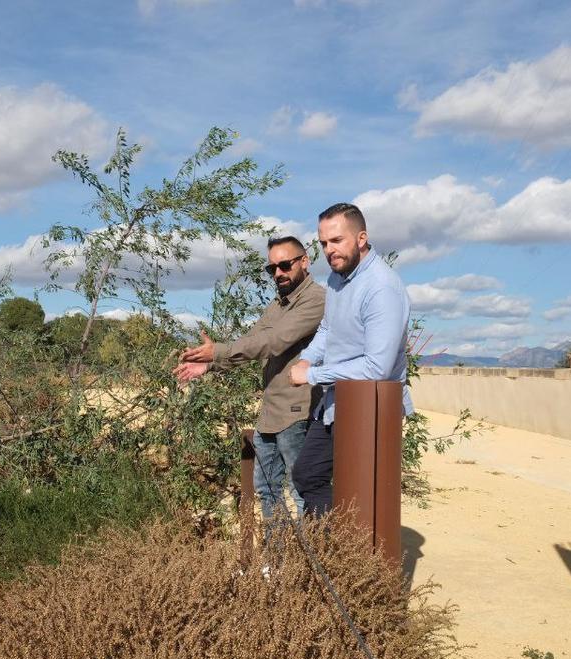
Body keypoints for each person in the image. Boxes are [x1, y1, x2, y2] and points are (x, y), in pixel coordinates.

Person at [174, 235, 326, 529]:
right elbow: (253, 341)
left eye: (285, 265)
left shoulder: (315, 299)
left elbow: (274, 341)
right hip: (271, 413)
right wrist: (211, 364)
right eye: (272, 269)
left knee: (301, 492)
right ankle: (276, 563)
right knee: (267, 492)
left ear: (304, 262)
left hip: (297, 412)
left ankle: (311, 564)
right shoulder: (278, 304)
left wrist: (218, 351)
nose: (278, 273)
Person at [288, 202, 412, 516]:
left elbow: (377, 366)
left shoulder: (381, 288)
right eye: (324, 243)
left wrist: (313, 376)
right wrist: (307, 360)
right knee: (308, 474)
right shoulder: (337, 279)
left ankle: (346, 559)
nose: (330, 250)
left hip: (371, 408)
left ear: (361, 238)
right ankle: (330, 555)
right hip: (337, 402)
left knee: (361, 493)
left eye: (337, 240)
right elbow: (329, 329)